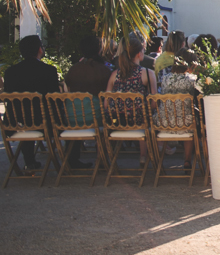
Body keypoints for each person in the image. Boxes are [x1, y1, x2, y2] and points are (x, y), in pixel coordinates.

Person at [2, 35, 60, 172]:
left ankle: (29, 161)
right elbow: (54, 98)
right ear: (40, 50)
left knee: (26, 117)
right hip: (45, 123)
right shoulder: (49, 71)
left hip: (16, 123)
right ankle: (69, 160)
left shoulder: (10, 72)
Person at [63, 35, 113, 168]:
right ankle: (103, 157)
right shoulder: (104, 70)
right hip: (94, 118)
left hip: (71, 117)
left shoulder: (74, 69)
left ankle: (71, 159)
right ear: (99, 49)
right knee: (109, 115)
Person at [106, 38, 157, 167]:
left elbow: (106, 102)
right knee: (145, 117)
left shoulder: (115, 74)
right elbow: (154, 101)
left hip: (117, 120)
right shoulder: (147, 73)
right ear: (139, 54)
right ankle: (143, 156)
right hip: (139, 121)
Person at [159, 47, 199, 173]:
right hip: (186, 123)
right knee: (192, 120)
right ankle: (187, 160)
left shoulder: (165, 78)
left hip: (165, 122)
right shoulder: (192, 80)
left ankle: (159, 162)